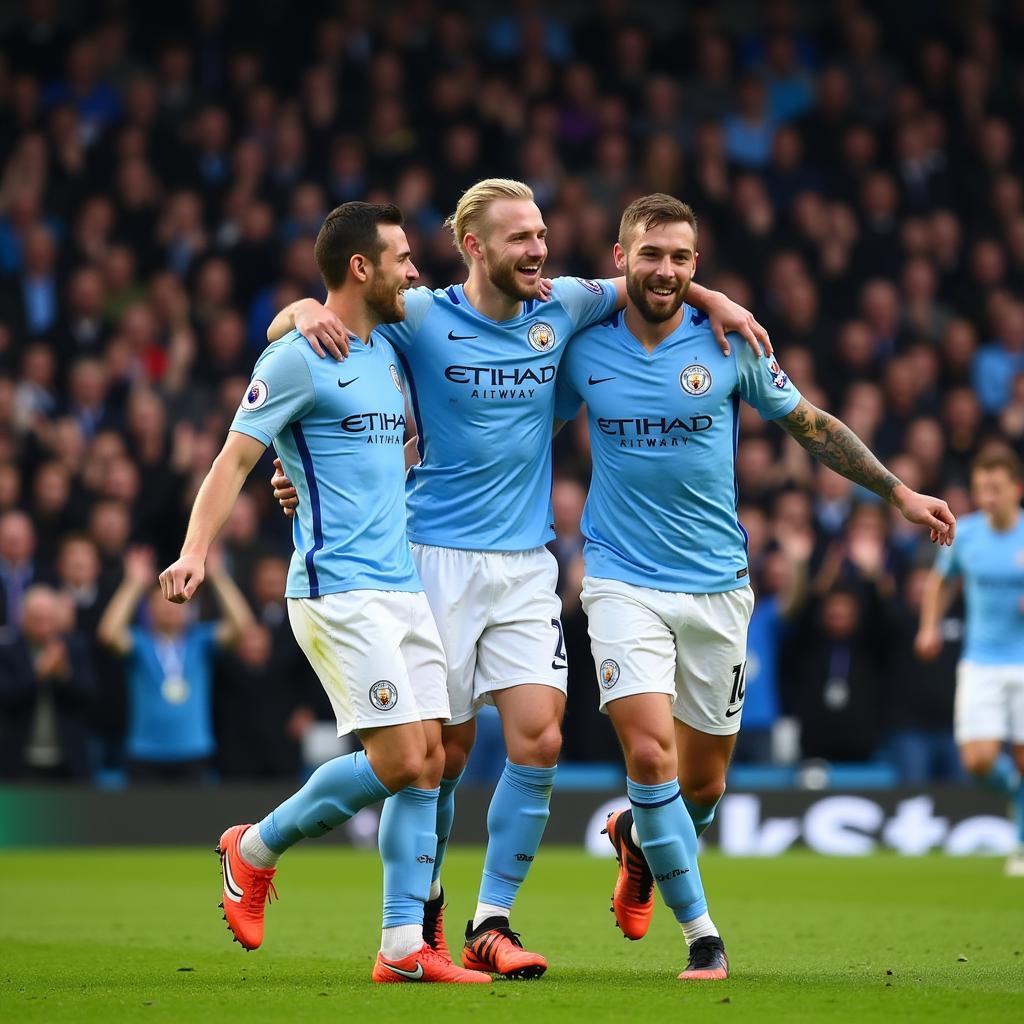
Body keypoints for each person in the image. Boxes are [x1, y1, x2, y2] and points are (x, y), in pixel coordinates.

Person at [266, 177, 770, 977]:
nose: (540, 250)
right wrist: (298, 310)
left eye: (541, 235)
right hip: (430, 556)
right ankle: (414, 923)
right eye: (521, 239)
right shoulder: (423, 317)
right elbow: (319, 336)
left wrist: (722, 302)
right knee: (444, 756)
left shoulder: (563, 306)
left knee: (539, 738)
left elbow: (654, 276)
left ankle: (490, 921)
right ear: (475, 247)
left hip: (529, 560)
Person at [554, 194, 955, 980]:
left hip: (718, 588)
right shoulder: (582, 347)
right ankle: (704, 935)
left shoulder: (730, 343)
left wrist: (899, 493)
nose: (664, 270)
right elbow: (502, 412)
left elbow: (813, 425)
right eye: (650, 254)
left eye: (680, 258)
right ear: (619, 257)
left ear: (696, 264)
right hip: (620, 580)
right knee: (649, 755)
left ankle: (640, 843)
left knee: (704, 783)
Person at [159, 202, 489, 985]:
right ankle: (255, 848)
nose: (417, 270)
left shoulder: (385, 351)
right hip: (337, 589)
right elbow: (234, 461)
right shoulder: (299, 357)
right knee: (406, 757)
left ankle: (404, 948)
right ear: (360, 268)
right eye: (403, 258)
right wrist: (195, 553)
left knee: (432, 760)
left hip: (400, 584)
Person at [916, 447, 1024, 875]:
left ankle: (1019, 845)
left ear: (1016, 488)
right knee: (978, 761)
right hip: (980, 661)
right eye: (981, 489)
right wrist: (929, 626)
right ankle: (1014, 790)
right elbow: (941, 580)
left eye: (995, 488)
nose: (987, 497)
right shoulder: (970, 533)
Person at [97, 545, 254, 781]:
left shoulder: (200, 640)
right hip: (144, 753)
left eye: (176, 601)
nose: (168, 607)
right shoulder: (140, 643)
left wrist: (218, 576)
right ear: (149, 610)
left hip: (193, 750)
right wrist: (133, 584)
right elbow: (108, 634)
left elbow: (243, 626)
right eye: (160, 601)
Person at [0, 584, 95, 779]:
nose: (44, 628)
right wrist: (38, 673)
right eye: (37, 621)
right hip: (19, 761)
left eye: (49, 620)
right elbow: (7, 698)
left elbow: (89, 696)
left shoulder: (74, 647)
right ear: (23, 619)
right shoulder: (8, 650)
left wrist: (64, 674)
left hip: (68, 761)